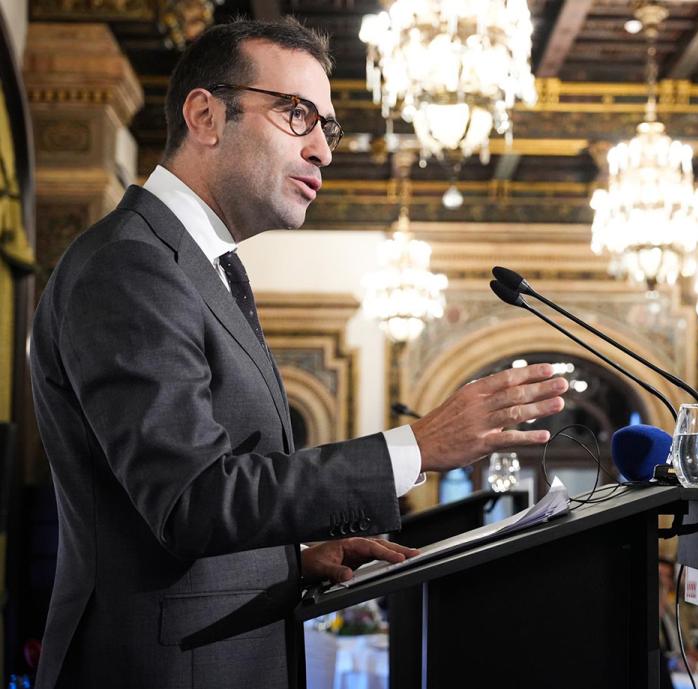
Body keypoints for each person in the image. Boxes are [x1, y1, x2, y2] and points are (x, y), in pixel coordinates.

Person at [27, 19, 569, 689]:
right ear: (205, 115)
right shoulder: (132, 265)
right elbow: (191, 499)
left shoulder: (198, 264)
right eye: (297, 114)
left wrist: (287, 559)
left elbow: (188, 506)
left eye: (328, 128)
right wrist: (417, 447)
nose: (323, 150)